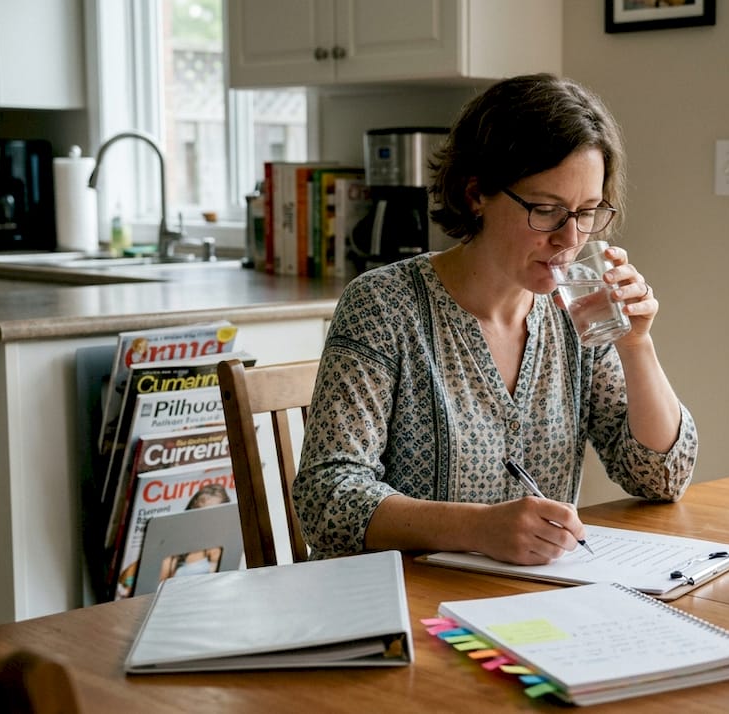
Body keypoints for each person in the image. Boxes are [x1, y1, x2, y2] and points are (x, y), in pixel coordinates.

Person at [292, 73, 698, 565]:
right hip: (399, 607)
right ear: (476, 192)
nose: (571, 239)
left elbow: (661, 478)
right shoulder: (384, 306)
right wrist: (479, 528)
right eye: (546, 210)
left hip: (523, 608)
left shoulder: (577, 314)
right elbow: (326, 497)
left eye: (588, 211)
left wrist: (636, 345)